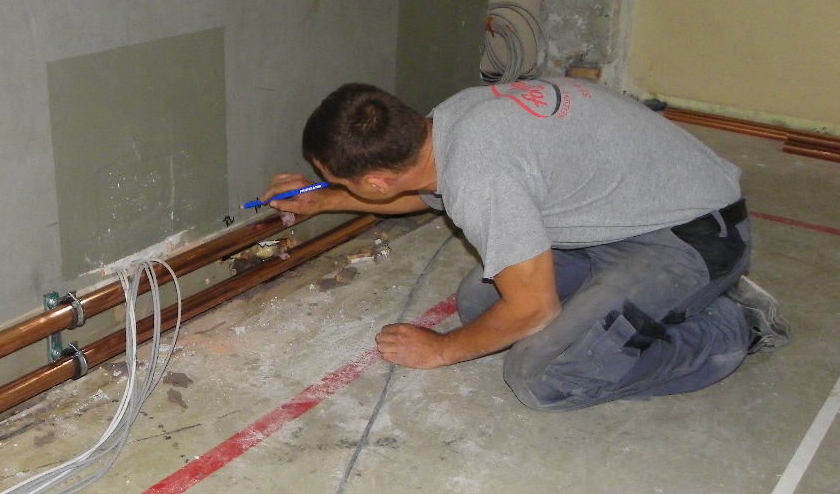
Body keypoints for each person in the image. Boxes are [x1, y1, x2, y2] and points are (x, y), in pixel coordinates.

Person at [261, 79, 790, 411]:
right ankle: (645, 306)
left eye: (337, 179)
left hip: (692, 237)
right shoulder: (445, 125)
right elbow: (427, 192)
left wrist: (441, 350)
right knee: (482, 304)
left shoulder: (481, 177)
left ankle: (734, 326)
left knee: (544, 375)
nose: (327, 184)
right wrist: (327, 200)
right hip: (624, 216)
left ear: (377, 180)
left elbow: (535, 309)